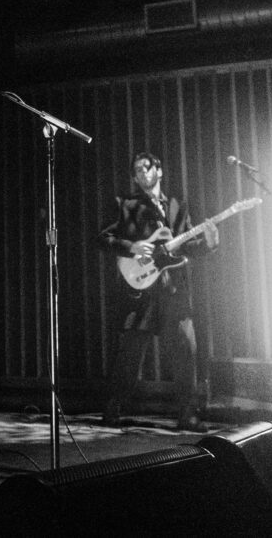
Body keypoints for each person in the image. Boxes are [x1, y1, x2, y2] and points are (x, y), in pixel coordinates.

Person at [98, 151, 218, 431]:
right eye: (137, 170)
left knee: (185, 351)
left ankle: (187, 414)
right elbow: (103, 237)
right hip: (141, 290)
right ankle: (113, 408)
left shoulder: (177, 205)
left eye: (146, 167)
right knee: (130, 354)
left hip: (174, 290)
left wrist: (210, 242)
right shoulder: (126, 205)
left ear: (159, 171)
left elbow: (188, 247)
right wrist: (132, 247)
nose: (142, 173)